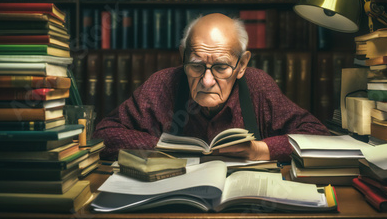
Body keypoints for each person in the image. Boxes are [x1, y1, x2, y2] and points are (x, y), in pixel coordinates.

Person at [93, 13, 329, 161]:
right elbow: (103, 135)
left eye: (221, 67)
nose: (207, 81)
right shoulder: (161, 84)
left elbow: (317, 135)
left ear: (242, 65)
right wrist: (164, 148)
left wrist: (261, 150)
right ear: (183, 57)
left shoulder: (258, 87)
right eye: (196, 66)